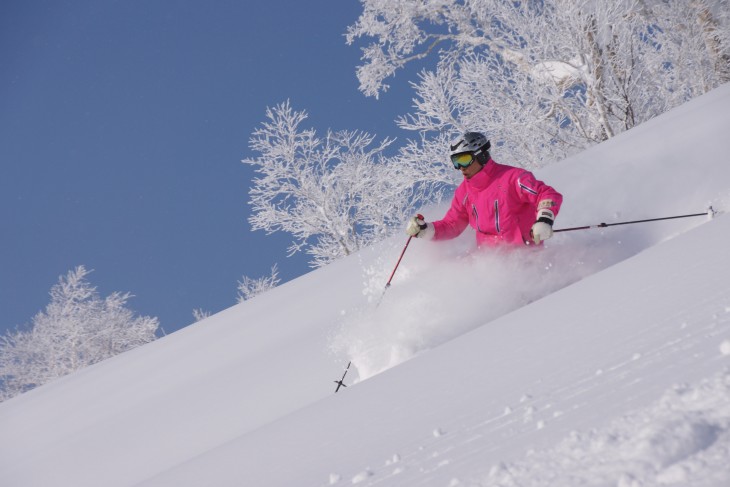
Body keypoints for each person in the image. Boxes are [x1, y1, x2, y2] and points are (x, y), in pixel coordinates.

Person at [406, 132, 563, 247]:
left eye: (464, 160)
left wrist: (544, 220)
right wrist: (425, 230)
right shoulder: (464, 193)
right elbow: (452, 225)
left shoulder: (513, 178)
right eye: (456, 162)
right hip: (488, 262)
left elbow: (546, 194)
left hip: (525, 256)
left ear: (481, 155)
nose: (460, 167)